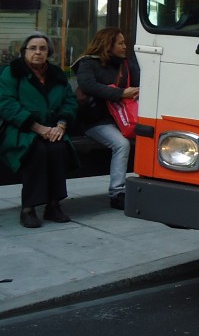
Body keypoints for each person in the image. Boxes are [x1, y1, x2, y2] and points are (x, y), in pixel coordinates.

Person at [0, 32, 78, 228]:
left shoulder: (57, 74)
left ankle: (53, 205)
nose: (38, 52)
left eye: (42, 49)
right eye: (33, 48)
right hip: (21, 130)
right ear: (24, 51)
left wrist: (61, 124)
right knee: (37, 151)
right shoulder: (12, 73)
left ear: (48, 52)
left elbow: (69, 101)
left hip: (52, 129)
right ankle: (28, 208)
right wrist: (36, 127)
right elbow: (6, 103)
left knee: (58, 149)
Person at [73, 27, 139, 210]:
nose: (125, 46)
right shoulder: (88, 63)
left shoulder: (126, 64)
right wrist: (120, 93)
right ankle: (117, 192)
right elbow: (88, 85)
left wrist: (135, 92)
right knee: (121, 144)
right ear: (107, 45)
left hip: (124, 118)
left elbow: (140, 82)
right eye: (120, 43)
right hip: (97, 120)